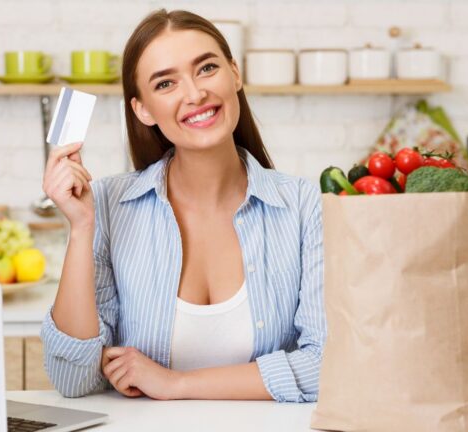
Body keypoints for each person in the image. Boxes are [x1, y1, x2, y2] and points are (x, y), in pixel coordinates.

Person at [40, 9, 326, 403]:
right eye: (166, 83)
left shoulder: (302, 205)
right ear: (142, 109)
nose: (194, 94)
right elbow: (72, 380)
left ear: (235, 73)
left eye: (206, 68)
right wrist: (81, 227)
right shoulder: (107, 205)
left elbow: (326, 364)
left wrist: (177, 384)